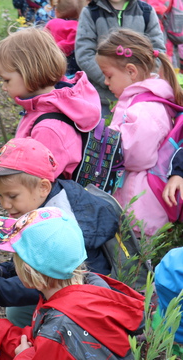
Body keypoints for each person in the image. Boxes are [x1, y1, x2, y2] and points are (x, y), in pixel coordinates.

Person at [0, 137, 120, 327]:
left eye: (12, 196)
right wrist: (3, 272)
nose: (5, 205)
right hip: (65, 288)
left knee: (18, 311)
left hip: (84, 307)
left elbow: (43, 281)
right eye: (0, 196)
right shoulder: (44, 208)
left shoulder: (56, 226)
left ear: (43, 187)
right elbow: (36, 258)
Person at [0, 207, 145, 359]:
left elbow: (41, 347)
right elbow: (37, 342)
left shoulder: (60, 326)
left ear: (29, 274)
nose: (12, 265)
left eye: (15, 259)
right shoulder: (89, 288)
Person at [96, 28, 183, 237]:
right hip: (139, 203)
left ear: (131, 71)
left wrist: (103, 136)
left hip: (140, 209)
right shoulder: (139, 101)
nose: (106, 83)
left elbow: (137, 156)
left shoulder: (144, 109)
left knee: (135, 264)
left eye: (109, 76)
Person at [0, 26, 101, 181]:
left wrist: (12, 196)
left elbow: (40, 182)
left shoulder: (48, 128)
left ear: (29, 72)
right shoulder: (46, 106)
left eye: (6, 80)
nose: (3, 86)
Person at [75, 0, 166, 118]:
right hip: (103, 100)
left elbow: (157, 51)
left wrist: (136, 81)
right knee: (105, 134)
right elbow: (84, 55)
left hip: (140, 98)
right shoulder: (91, 12)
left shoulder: (146, 11)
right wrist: (111, 79)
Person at [44, 0, 88, 78]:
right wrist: (59, 48)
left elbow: (42, 37)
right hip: (68, 60)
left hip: (49, 57)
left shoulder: (51, 23)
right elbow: (70, 43)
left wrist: (50, 49)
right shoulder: (76, 26)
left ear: (56, 11)